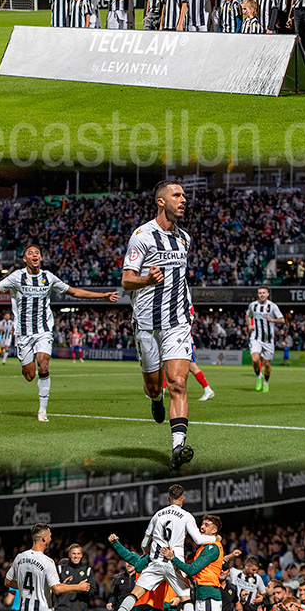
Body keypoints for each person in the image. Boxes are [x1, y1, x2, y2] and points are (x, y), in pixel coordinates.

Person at [0, 242, 118, 421]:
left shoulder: (49, 277)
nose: (35, 255)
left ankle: (43, 410)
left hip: (43, 330)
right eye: (30, 253)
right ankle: (28, 368)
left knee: (43, 364)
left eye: (37, 252)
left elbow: (73, 292)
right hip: (23, 333)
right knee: (29, 375)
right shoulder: (16, 277)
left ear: (41, 258)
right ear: (25, 259)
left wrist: (102, 295)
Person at [121, 182, 196, 470]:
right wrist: (147, 281)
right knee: (155, 387)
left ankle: (177, 447)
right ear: (161, 202)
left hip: (177, 322)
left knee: (179, 381)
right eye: (177, 195)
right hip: (147, 324)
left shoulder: (185, 239)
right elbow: (127, 280)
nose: (183, 199)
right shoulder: (142, 236)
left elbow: (181, 277)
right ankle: (156, 396)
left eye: (184, 195)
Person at [98, 485, 216, 611]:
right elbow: (199, 540)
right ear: (183, 499)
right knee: (185, 597)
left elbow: (144, 542)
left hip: (155, 563)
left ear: (168, 499)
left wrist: (149, 550)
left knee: (134, 593)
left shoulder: (157, 515)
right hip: (174, 563)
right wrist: (216, 539)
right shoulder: (187, 516)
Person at [247, 284, 284, 392]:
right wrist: (249, 324)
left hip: (268, 339)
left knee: (267, 364)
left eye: (264, 293)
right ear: (258, 294)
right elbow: (248, 315)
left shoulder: (272, 306)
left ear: (267, 294)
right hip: (256, 337)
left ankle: (266, 382)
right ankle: (259, 376)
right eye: (260, 293)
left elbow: (282, 320)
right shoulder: (253, 305)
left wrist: (272, 320)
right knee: (255, 359)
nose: (262, 295)